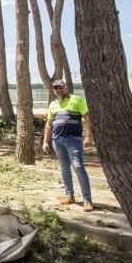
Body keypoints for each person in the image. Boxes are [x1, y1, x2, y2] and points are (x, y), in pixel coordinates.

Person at [42, 79, 95, 212]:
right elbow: (49, 124)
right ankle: (69, 195)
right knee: (64, 167)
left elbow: (87, 117)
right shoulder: (53, 105)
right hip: (57, 140)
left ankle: (87, 200)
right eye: (56, 88)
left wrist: (88, 136)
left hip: (73, 140)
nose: (59, 89)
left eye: (61, 87)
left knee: (78, 166)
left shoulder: (77, 100)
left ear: (66, 87)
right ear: (54, 91)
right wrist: (45, 141)